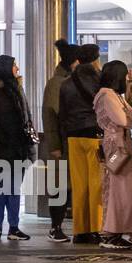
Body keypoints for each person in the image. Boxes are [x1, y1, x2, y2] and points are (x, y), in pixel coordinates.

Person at [0, 55, 35, 241]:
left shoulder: (16, 88)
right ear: (4, 68)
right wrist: (2, 141)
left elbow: (25, 117)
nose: (17, 69)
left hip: (17, 147)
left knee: (13, 188)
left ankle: (12, 227)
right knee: (2, 187)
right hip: (1, 148)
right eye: (14, 65)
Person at [93, 60, 132, 250]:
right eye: (125, 75)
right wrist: (131, 118)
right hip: (115, 146)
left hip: (122, 144)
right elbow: (124, 119)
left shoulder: (116, 95)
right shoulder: (106, 95)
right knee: (116, 189)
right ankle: (109, 233)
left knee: (126, 190)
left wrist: (131, 117)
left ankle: (117, 231)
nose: (127, 78)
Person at [58, 43, 104, 243]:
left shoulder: (67, 82)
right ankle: (95, 229)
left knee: (79, 185)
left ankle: (79, 230)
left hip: (73, 137)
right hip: (94, 136)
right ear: (95, 59)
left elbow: (62, 114)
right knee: (96, 185)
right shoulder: (99, 80)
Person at [41, 39, 77, 242]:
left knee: (69, 186)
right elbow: (51, 115)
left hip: (71, 143)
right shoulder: (57, 83)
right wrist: (54, 146)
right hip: (61, 146)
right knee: (61, 187)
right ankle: (56, 227)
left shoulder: (71, 81)